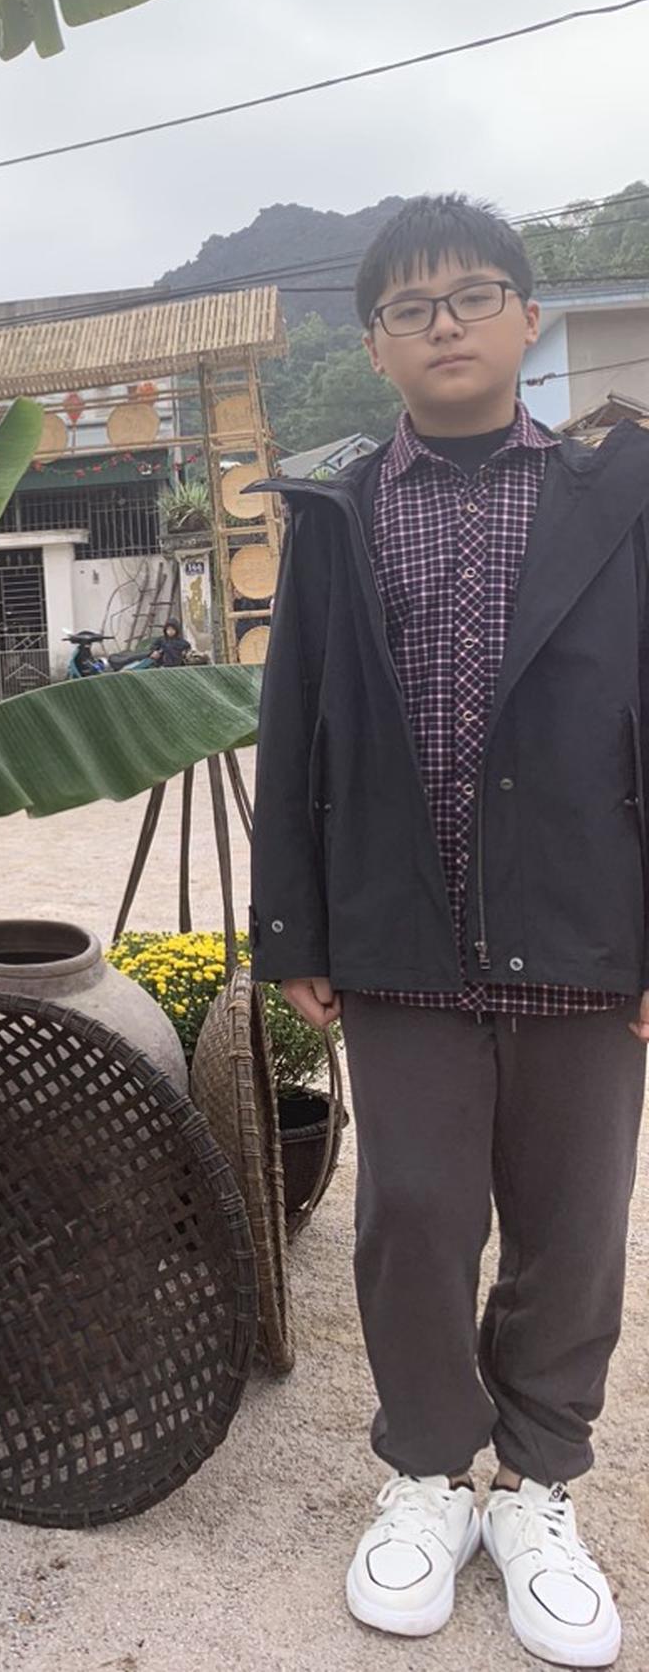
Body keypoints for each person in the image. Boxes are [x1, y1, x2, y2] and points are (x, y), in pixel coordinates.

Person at [250, 194, 649, 1669]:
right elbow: (295, 719)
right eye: (411, 308)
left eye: (475, 295)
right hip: (401, 930)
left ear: (529, 318)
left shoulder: (621, 498)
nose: (446, 324)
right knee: (414, 1214)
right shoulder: (338, 512)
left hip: (588, 924)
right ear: (376, 346)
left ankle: (538, 1488)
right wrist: (294, 920)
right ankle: (426, 1470)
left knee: (573, 1226)